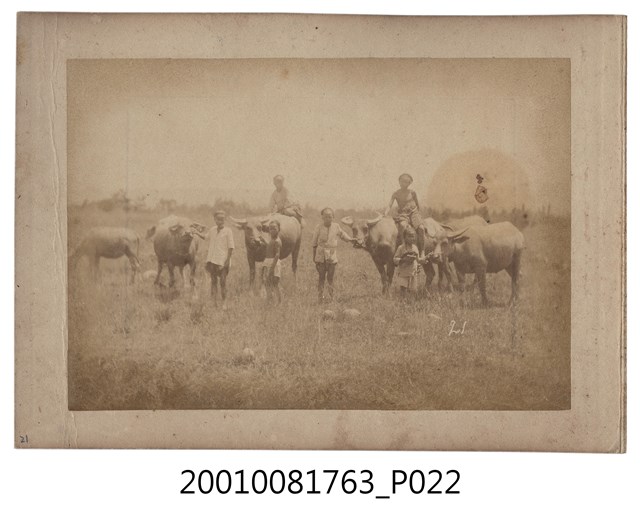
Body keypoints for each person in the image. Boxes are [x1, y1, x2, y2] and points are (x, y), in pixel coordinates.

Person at [311, 207, 356, 303]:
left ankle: (331, 298)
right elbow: (314, 243)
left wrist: (351, 240)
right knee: (321, 277)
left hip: (332, 255)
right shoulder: (319, 227)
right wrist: (314, 258)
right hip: (321, 255)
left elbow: (343, 235)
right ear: (322, 217)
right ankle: (320, 298)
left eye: (330, 217)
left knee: (330, 277)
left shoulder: (336, 226)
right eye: (325, 217)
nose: (328, 219)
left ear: (333, 217)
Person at [385, 173, 426, 261]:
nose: (404, 184)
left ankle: (422, 251)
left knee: (421, 228)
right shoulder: (396, 193)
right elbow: (389, 205)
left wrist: (419, 216)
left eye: (407, 182)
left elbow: (417, 204)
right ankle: (404, 249)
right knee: (403, 226)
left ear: (409, 183)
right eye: (402, 181)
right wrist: (385, 213)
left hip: (414, 213)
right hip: (403, 214)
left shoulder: (412, 192)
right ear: (399, 182)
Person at [205, 210, 234, 307]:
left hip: (223, 261)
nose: (220, 221)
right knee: (213, 281)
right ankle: (214, 302)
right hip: (213, 260)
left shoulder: (228, 231)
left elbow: (231, 247)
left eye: (222, 219)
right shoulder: (212, 230)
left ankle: (224, 303)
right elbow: (205, 237)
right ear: (215, 219)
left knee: (222, 282)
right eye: (218, 219)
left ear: (224, 220)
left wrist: (227, 261)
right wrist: (196, 232)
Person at [393, 227, 420, 298]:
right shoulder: (401, 248)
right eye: (409, 236)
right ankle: (403, 301)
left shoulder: (415, 248)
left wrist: (424, 259)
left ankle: (411, 302)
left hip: (413, 272)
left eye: (413, 236)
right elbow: (395, 259)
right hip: (403, 272)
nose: (412, 238)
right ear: (404, 237)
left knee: (413, 290)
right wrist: (403, 260)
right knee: (403, 289)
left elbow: (418, 260)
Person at [263, 219, 282, 304]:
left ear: (279, 229)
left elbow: (277, 254)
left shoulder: (277, 241)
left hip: (274, 263)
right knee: (267, 282)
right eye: (270, 229)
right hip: (268, 262)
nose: (272, 230)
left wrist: (272, 267)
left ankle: (279, 302)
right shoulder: (271, 239)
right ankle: (269, 299)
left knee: (275, 283)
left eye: (274, 228)